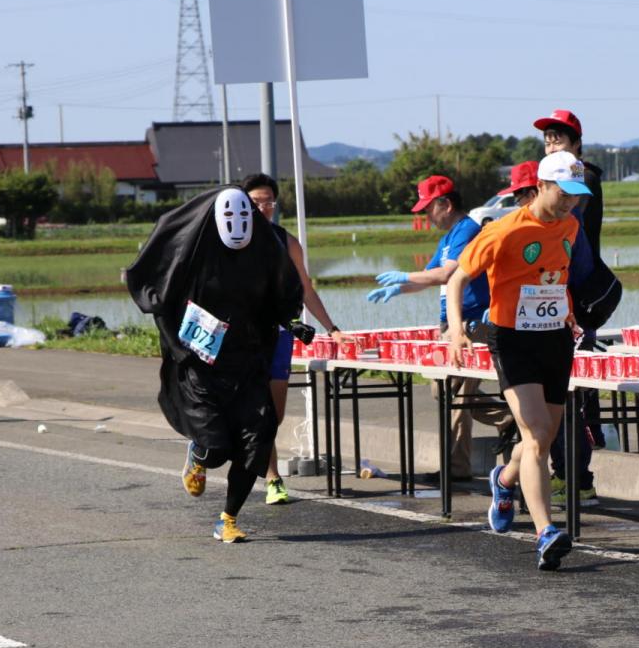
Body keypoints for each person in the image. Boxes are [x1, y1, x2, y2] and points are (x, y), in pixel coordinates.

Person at [127, 186, 304, 543]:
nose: (237, 225)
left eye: (244, 217)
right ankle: (199, 452)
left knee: (258, 441)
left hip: (249, 362)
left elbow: (281, 296)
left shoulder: (264, 252)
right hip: (202, 365)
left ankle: (228, 519)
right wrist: (179, 348)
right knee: (218, 448)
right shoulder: (193, 255)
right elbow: (161, 304)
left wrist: (293, 321)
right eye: (229, 218)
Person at [446, 150, 591, 571]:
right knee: (537, 434)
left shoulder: (571, 225)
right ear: (542, 186)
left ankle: (504, 480)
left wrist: (567, 310)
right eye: (562, 193)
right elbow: (457, 279)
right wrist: (457, 329)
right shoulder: (504, 230)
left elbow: (555, 276)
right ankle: (546, 532)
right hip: (512, 340)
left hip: (555, 340)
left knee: (540, 442)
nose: (569, 202)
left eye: (575, 195)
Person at [366, 175, 508, 479]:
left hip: (470, 324)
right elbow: (429, 275)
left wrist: (404, 276)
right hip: (451, 324)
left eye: (429, 209)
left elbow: (447, 275)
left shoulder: (467, 230)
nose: (427, 217)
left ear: (445, 203)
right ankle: (509, 417)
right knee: (444, 390)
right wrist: (400, 288)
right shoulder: (448, 238)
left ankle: (457, 468)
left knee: (455, 393)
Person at [242, 173, 346, 505]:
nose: (263, 209)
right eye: (255, 202)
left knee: (274, 413)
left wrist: (332, 328)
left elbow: (306, 289)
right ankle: (273, 477)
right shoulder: (231, 241)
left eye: (268, 202)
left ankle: (262, 463)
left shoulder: (285, 242)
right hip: (242, 338)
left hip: (280, 335)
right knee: (253, 411)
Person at [534, 109, 605, 508]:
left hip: (575, 294)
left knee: (571, 390)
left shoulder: (583, 180)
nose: (551, 143)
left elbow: (562, 229)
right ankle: (566, 473)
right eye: (547, 139)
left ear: (577, 143)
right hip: (554, 293)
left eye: (558, 137)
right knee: (555, 388)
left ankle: (578, 477)